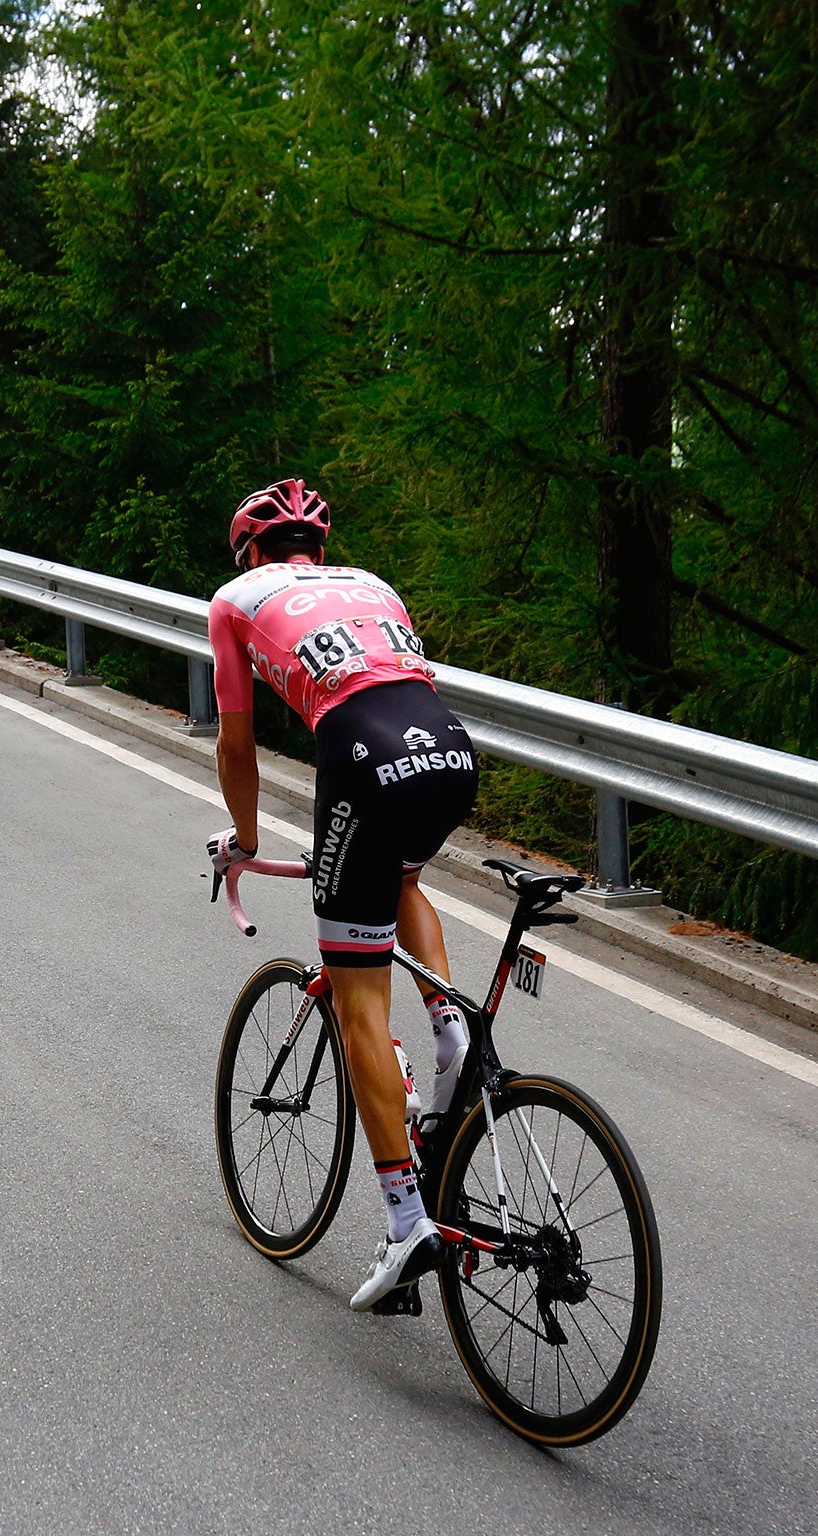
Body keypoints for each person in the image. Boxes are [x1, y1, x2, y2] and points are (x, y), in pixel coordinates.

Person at [205, 479, 479, 1313]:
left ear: (250, 550)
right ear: (318, 550)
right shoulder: (373, 585)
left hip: (362, 753)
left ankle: (404, 1226)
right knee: (400, 881)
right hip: (449, 751)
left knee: (358, 1001)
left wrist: (244, 840)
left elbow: (237, 742)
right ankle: (451, 1033)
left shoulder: (234, 598)